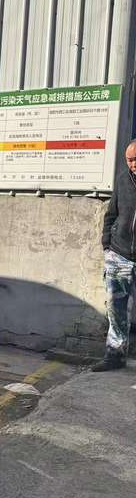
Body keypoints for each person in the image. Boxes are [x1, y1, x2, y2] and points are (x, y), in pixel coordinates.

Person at [94, 139, 136, 371]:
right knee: (116, 308)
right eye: (129, 160)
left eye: (135, 159)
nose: (132, 164)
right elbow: (111, 214)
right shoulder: (122, 181)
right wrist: (107, 244)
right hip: (120, 254)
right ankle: (115, 357)